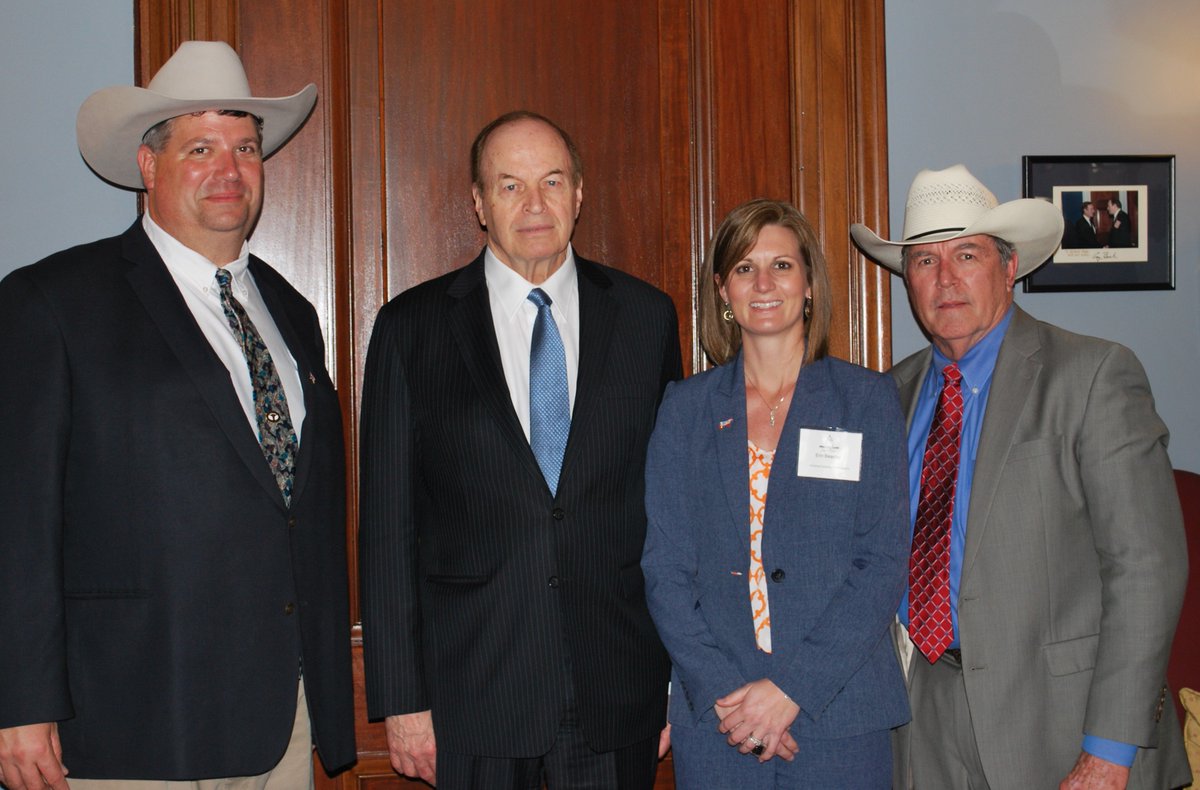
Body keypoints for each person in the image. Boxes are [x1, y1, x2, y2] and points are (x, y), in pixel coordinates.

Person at [0, 41, 355, 789]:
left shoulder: (292, 312)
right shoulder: (54, 301)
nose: (229, 169)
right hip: (131, 716)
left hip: (282, 718)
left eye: (246, 148)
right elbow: (16, 518)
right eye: (200, 148)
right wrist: (20, 702)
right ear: (149, 165)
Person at [358, 110, 682, 789]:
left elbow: (672, 514)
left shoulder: (646, 319)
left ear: (579, 193)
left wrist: (673, 677)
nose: (535, 203)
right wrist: (402, 701)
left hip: (617, 690)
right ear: (479, 203)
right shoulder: (411, 329)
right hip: (472, 698)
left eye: (552, 181)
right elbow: (387, 529)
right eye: (510, 185)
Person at [850, 164, 1189, 790]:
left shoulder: (1092, 375)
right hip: (921, 718)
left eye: (967, 255)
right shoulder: (888, 395)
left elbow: (1146, 568)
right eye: (924, 261)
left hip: (1062, 728)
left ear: (1008, 268)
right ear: (907, 280)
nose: (945, 278)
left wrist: (1108, 752)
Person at [641, 199, 911, 788]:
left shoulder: (866, 401)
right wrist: (728, 695)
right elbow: (665, 568)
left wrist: (792, 689)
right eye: (744, 268)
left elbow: (882, 562)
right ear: (723, 290)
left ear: (809, 283)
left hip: (838, 711)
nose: (763, 284)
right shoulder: (685, 410)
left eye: (781, 266)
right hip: (721, 719)